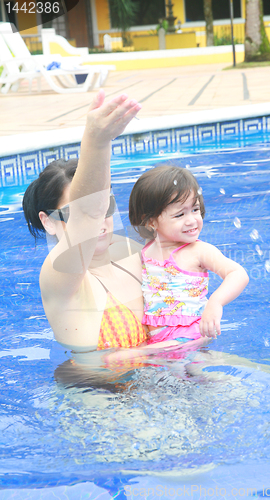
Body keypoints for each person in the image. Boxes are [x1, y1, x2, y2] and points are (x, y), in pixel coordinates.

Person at [22, 91, 207, 371]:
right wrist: (97, 142)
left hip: (168, 379)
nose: (100, 219)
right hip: (101, 398)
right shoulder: (58, 277)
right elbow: (88, 214)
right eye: (73, 215)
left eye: (106, 206)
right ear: (48, 222)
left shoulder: (137, 254)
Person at [128, 165, 249, 346]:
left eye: (195, 210)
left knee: (130, 360)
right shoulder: (148, 249)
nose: (192, 220)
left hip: (188, 335)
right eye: (179, 215)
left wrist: (215, 303)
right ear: (151, 221)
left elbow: (238, 274)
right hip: (158, 336)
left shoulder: (198, 251)